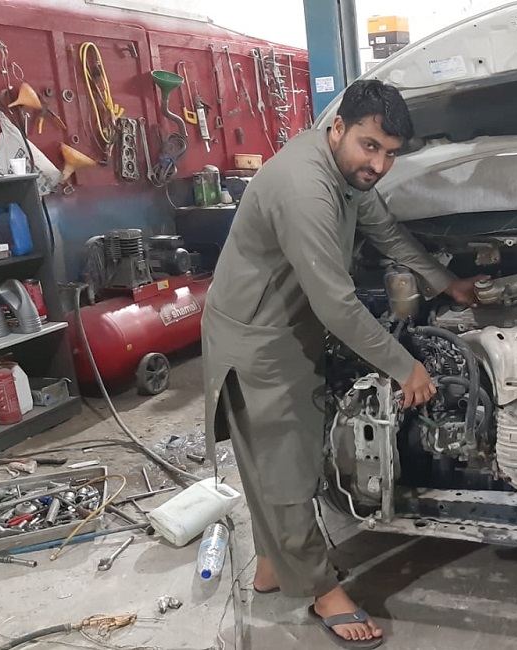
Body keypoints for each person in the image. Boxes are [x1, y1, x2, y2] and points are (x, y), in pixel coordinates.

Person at [201, 80, 482, 648]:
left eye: (390, 153)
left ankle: (272, 567)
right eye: (369, 146)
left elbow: (388, 234)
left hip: (286, 323)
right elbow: (336, 305)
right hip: (259, 337)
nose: (378, 164)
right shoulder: (306, 188)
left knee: (275, 457)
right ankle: (321, 590)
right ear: (337, 129)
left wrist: (446, 282)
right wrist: (405, 366)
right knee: (286, 466)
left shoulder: (348, 173)